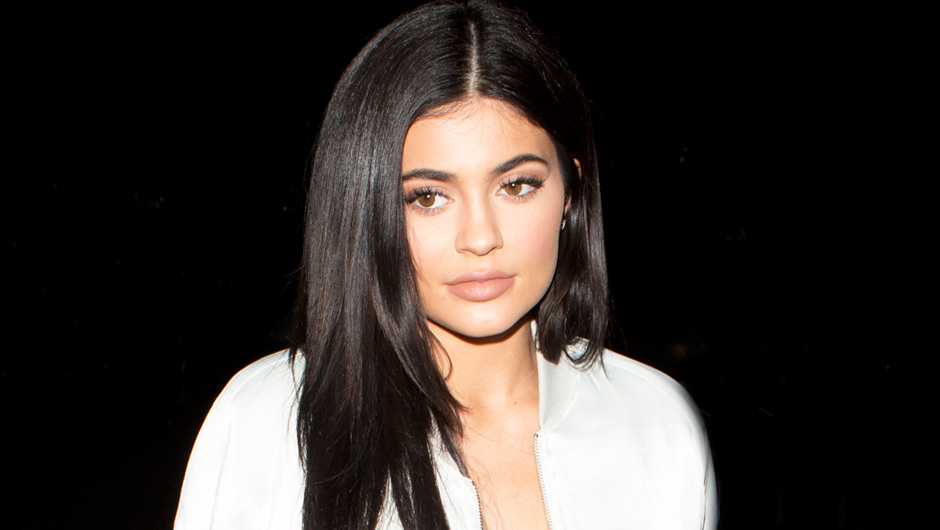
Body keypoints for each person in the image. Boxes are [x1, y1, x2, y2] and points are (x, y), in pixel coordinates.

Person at [174, 1, 717, 529]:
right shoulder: (267, 423)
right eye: (428, 197)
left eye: (516, 185)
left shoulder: (656, 423)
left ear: (569, 191)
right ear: (366, 208)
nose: (480, 238)